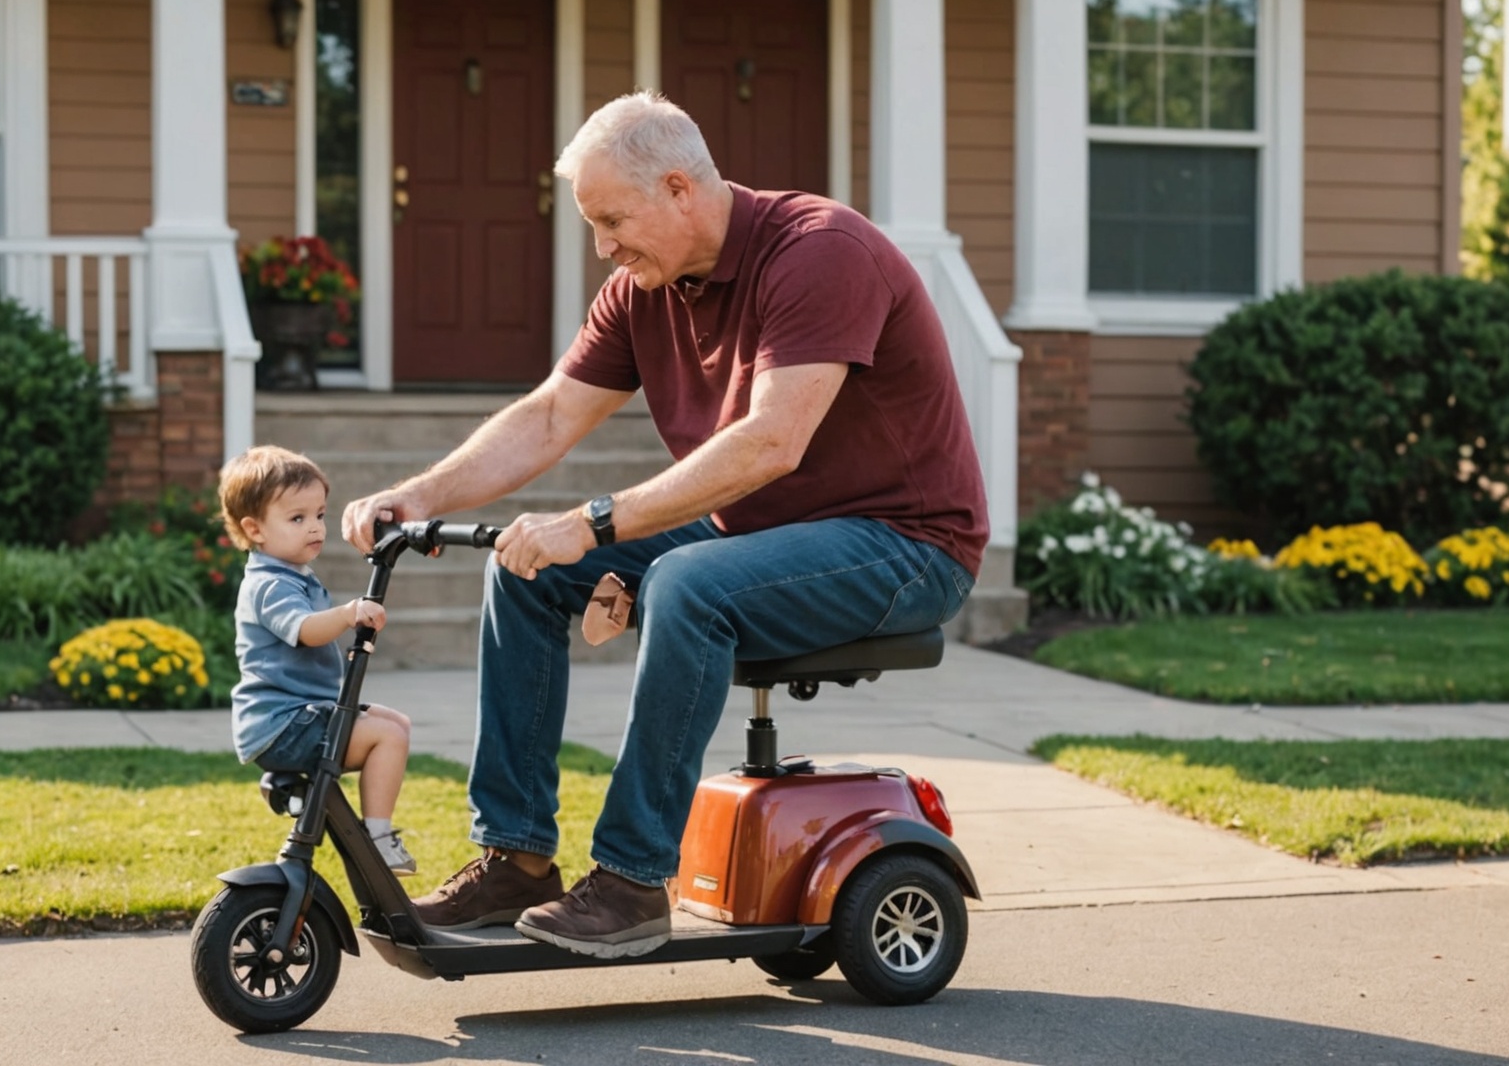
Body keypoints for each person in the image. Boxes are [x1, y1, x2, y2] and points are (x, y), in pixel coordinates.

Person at [342, 90, 987, 956]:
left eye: (613, 220)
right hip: (762, 536)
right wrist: (421, 496)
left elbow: (770, 443)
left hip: (904, 545)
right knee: (521, 564)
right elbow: (547, 418)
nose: (604, 247)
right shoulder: (642, 288)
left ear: (680, 188)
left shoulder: (819, 252)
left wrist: (598, 520)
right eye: (593, 226)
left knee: (686, 580)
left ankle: (633, 880)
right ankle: (517, 857)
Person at [222, 445, 417, 873]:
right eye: (297, 518)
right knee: (389, 737)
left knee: (396, 724)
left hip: (301, 715)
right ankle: (379, 840)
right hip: (284, 724)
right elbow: (306, 630)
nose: (315, 528)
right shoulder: (270, 585)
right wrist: (349, 614)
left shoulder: (290, 573)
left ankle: (295, 794)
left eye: (319, 515)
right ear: (255, 529)